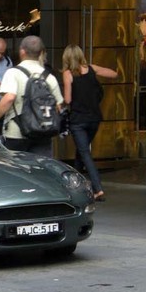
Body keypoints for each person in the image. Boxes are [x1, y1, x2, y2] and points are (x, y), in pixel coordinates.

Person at [0, 35, 63, 157]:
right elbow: (58, 107)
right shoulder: (49, 77)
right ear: (41, 52)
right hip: (42, 132)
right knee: (42, 170)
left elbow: (9, 97)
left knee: (16, 170)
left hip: (17, 132)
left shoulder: (13, 73)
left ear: (22, 51)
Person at [61, 44, 118, 202]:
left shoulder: (68, 74)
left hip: (78, 120)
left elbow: (68, 99)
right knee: (81, 151)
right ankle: (75, 187)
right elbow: (114, 74)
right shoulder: (92, 68)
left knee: (84, 152)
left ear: (66, 58)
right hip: (94, 119)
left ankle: (98, 188)